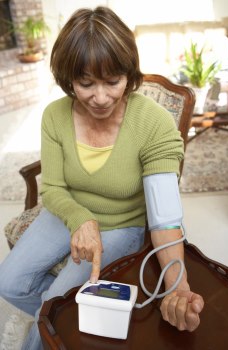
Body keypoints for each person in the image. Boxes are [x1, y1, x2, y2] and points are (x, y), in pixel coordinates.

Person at [0, 6, 204, 349]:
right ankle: (60, 325)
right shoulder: (54, 116)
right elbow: (52, 188)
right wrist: (81, 219)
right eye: (85, 83)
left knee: (52, 304)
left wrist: (178, 287)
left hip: (118, 224)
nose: (100, 97)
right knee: (8, 283)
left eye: (113, 82)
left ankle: (47, 328)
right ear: (69, 79)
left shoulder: (153, 123)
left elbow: (165, 219)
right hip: (65, 213)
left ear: (129, 74)